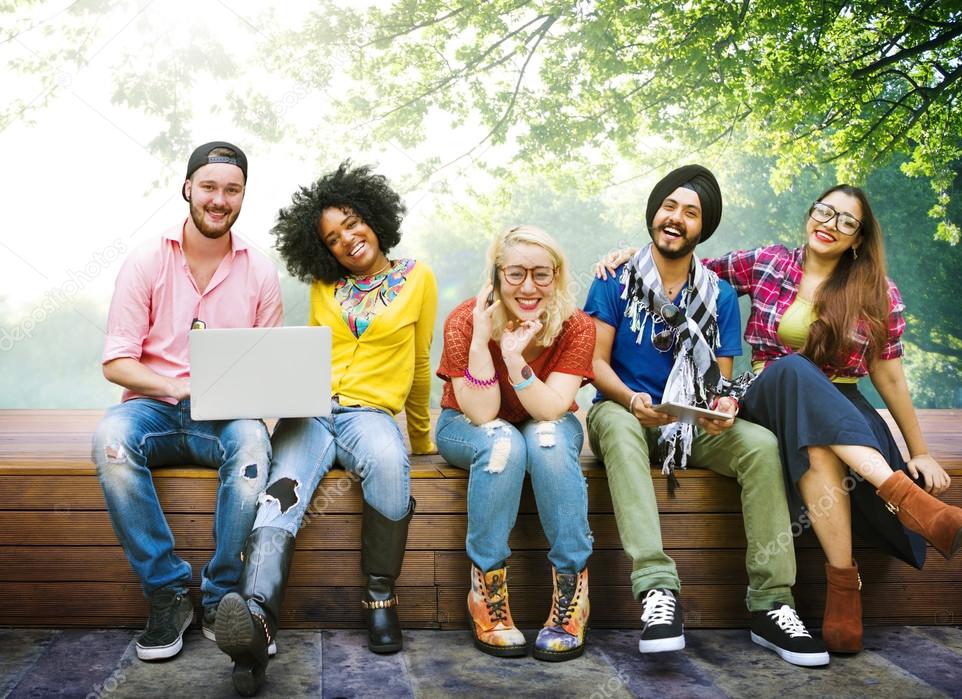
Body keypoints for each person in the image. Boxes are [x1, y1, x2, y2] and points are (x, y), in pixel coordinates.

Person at [702, 185, 962, 653]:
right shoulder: (767, 262)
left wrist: (922, 451)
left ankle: (844, 587)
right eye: (824, 212)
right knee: (793, 368)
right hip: (768, 395)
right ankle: (903, 497)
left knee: (819, 445)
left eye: (846, 221)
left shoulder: (876, 292)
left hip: (842, 409)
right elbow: (688, 272)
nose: (830, 224)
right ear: (810, 216)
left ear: (858, 239)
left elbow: (889, 379)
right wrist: (633, 256)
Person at [585, 165, 829, 667]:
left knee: (760, 445)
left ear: (703, 227)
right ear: (654, 213)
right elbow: (594, 363)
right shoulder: (615, 278)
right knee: (611, 421)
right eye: (669, 207)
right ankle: (657, 590)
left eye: (690, 213)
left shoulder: (717, 294)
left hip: (688, 424)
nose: (676, 218)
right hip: (627, 412)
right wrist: (632, 399)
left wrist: (722, 407)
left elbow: (719, 380)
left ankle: (771, 603)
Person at [214, 162, 436, 695]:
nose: (347, 240)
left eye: (353, 224)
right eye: (333, 239)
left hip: (369, 415)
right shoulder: (323, 286)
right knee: (279, 492)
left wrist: (423, 438)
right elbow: (308, 355)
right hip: (311, 411)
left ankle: (380, 597)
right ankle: (257, 618)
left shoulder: (418, 279)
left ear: (375, 219)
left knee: (388, 463)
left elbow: (422, 363)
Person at [91, 141, 283, 661]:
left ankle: (223, 596)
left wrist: (263, 403)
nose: (219, 200)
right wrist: (176, 386)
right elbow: (117, 364)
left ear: (243, 195)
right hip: (152, 408)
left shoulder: (260, 271)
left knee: (251, 442)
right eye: (209, 188)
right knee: (110, 439)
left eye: (232, 190)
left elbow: (268, 371)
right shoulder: (147, 261)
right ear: (187, 189)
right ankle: (168, 593)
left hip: (221, 419)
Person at [435, 225, 595, 662]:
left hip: (543, 417)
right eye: (516, 274)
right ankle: (486, 594)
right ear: (497, 275)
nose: (528, 287)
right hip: (465, 423)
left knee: (544, 441)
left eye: (542, 275)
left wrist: (514, 359)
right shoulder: (466, 319)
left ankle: (572, 595)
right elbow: (482, 414)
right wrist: (487, 341)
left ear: (557, 276)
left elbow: (552, 409)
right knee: (503, 442)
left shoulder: (576, 326)